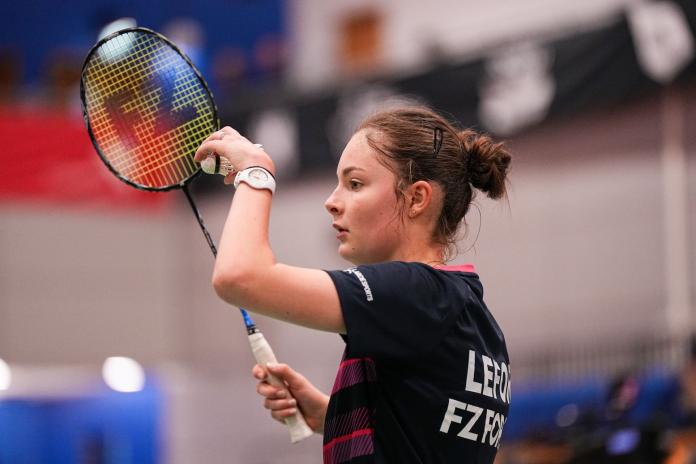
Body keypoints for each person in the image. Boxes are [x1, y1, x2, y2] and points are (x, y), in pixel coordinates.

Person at [194, 106, 512, 463]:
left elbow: (238, 276)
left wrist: (255, 173)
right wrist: (334, 415)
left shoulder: (412, 294)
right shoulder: (473, 318)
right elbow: (427, 437)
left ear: (417, 198)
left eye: (355, 183)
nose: (331, 202)